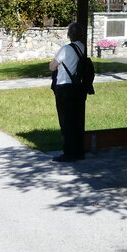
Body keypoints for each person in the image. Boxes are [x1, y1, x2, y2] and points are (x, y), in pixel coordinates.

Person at [48, 22, 88, 162]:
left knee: (66, 122)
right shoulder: (83, 48)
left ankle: (69, 153)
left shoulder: (66, 49)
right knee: (76, 120)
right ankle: (78, 151)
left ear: (69, 34)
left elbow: (52, 67)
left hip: (64, 88)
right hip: (78, 88)